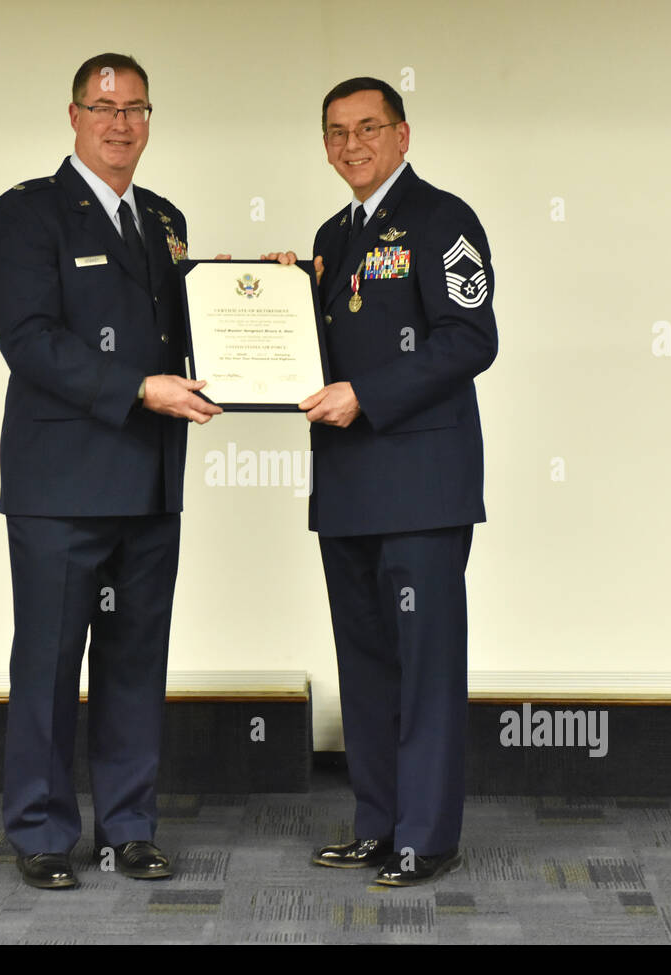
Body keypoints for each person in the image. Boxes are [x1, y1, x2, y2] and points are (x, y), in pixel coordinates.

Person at [0, 53, 221, 890]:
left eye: (136, 108)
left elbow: (196, 331)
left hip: (150, 481)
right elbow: (31, 341)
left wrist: (274, 293)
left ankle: (128, 827)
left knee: (134, 659)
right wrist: (137, 387)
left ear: (150, 119)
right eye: (104, 106)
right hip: (62, 484)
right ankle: (43, 832)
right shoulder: (27, 213)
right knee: (48, 661)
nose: (121, 123)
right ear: (74, 116)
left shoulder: (163, 217)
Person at [268, 77, 498, 886]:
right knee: (364, 662)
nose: (353, 144)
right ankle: (378, 822)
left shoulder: (444, 219)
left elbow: (470, 338)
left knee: (424, 664)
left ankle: (426, 835)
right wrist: (281, 305)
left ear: (403, 135)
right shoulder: (335, 232)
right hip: (351, 485)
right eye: (336, 132)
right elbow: (327, 356)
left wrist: (368, 394)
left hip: (423, 484)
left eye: (370, 127)